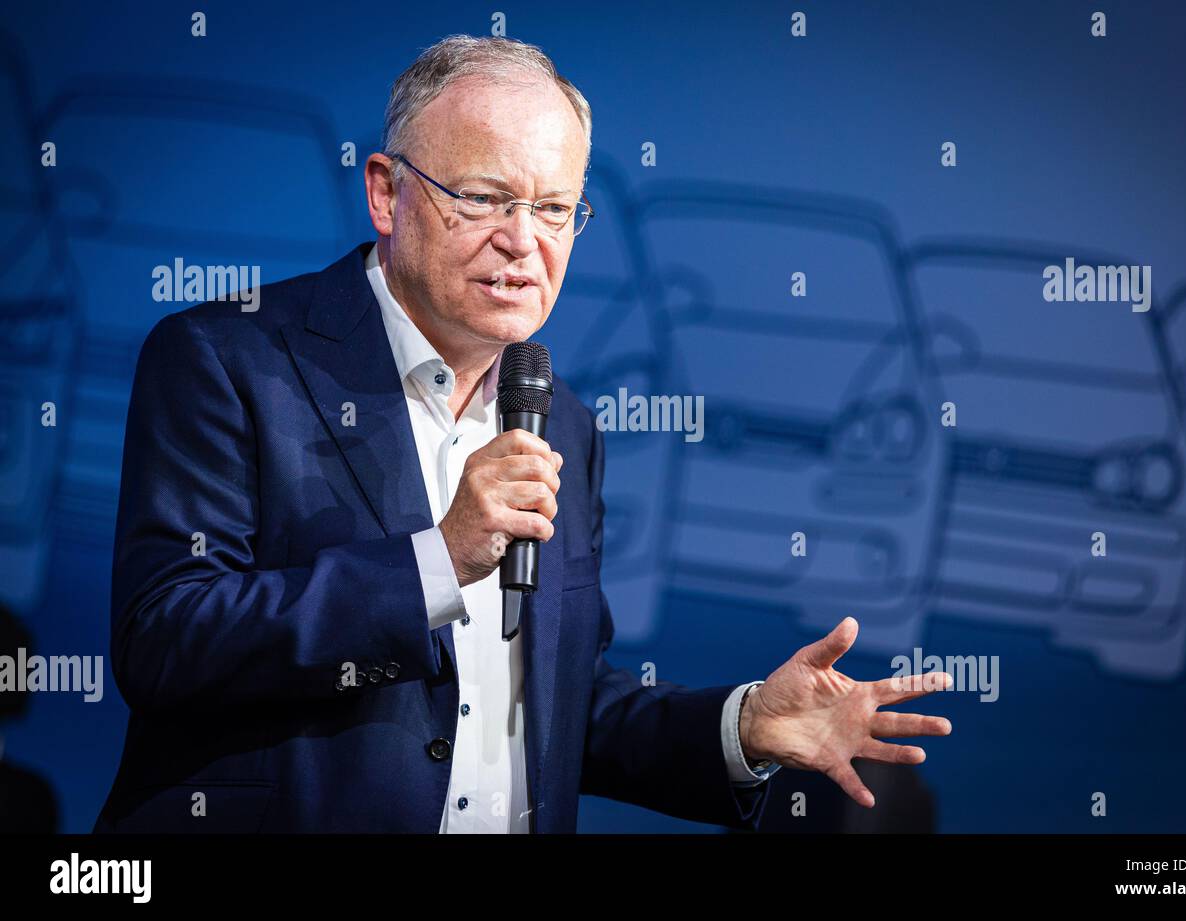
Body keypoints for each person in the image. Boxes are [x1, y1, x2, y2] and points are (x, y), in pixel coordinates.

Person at [95, 34, 953, 834]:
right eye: (483, 198)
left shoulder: (563, 423)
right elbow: (166, 639)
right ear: (387, 193)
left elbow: (564, 706)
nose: (521, 242)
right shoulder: (228, 359)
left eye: (553, 209)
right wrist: (439, 559)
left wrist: (745, 726)